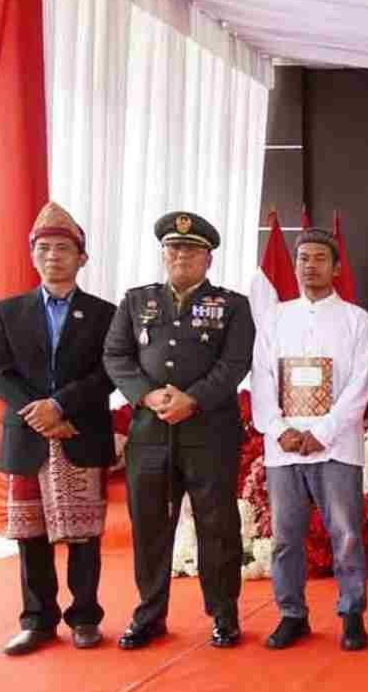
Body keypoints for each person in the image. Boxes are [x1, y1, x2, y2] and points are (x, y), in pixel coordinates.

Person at [103, 211, 255, 650]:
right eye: (173, 247)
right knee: (149, 527)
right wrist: (147, 395)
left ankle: (223, 615)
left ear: (208, 258)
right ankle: (149, 614)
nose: (181, 255)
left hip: (210, 432)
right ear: (163, 254)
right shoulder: (136, 301)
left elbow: (235, 363)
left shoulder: (232, 305)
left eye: (190, 249)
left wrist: (193, 399)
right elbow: (116, 355)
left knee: (217, 527)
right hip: (150, 433)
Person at [0, 203, 115, 655]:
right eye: (43, 248)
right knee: (30, 533)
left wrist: (61, 406)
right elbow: (1, 371)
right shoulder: (7, 311)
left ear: (81, 257)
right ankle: (37, 620)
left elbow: (109, 373)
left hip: (79, 430)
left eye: (63, 249)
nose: (53, 256)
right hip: (27, 432)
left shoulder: (105, 314)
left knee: (84, 534)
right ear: (33, 255)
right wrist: (40, 412)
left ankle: (85, 617)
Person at [251, 228, 368, 651]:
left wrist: (321, 433)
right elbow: (261, 378)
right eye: (303, 258)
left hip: (336, 446)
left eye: (320, 258)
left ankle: (351, 614)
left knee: (346, 534)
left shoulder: (356, 319)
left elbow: (360, 385)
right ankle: (292, 614)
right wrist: (279, 429)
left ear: (336, 268)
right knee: (285, 538)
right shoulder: (274, 317)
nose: (310, 265)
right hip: (284, 448)